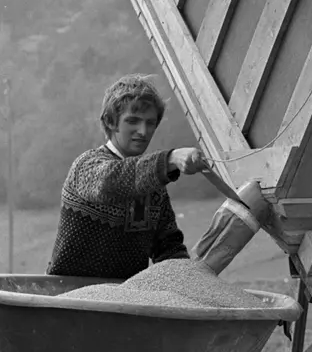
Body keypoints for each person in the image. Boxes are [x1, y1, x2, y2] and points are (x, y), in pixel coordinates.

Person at [47, 74, 209, 279]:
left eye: (150, 123)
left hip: (123, 304)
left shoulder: (155, 188)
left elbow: (169, 250)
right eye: (133, 121)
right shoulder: (86, 166)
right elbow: (109, 183)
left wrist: (192, 282)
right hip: (69, 299)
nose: (143, 131)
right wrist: (169, 159)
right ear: (110, 121)